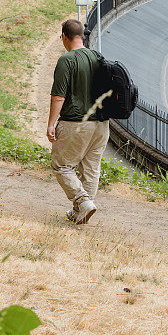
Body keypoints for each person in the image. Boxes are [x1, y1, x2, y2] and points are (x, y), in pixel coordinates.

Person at [47, 19, 110, 224]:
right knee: (91, 168)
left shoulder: (67, 60)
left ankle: (82, 202)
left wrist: (50, 124)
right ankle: (81, 213)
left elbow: (58, 97)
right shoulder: (97, 57)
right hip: (101, 125)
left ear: (65, 36)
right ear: (82, 36)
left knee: (61, 165)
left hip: (76, 123)